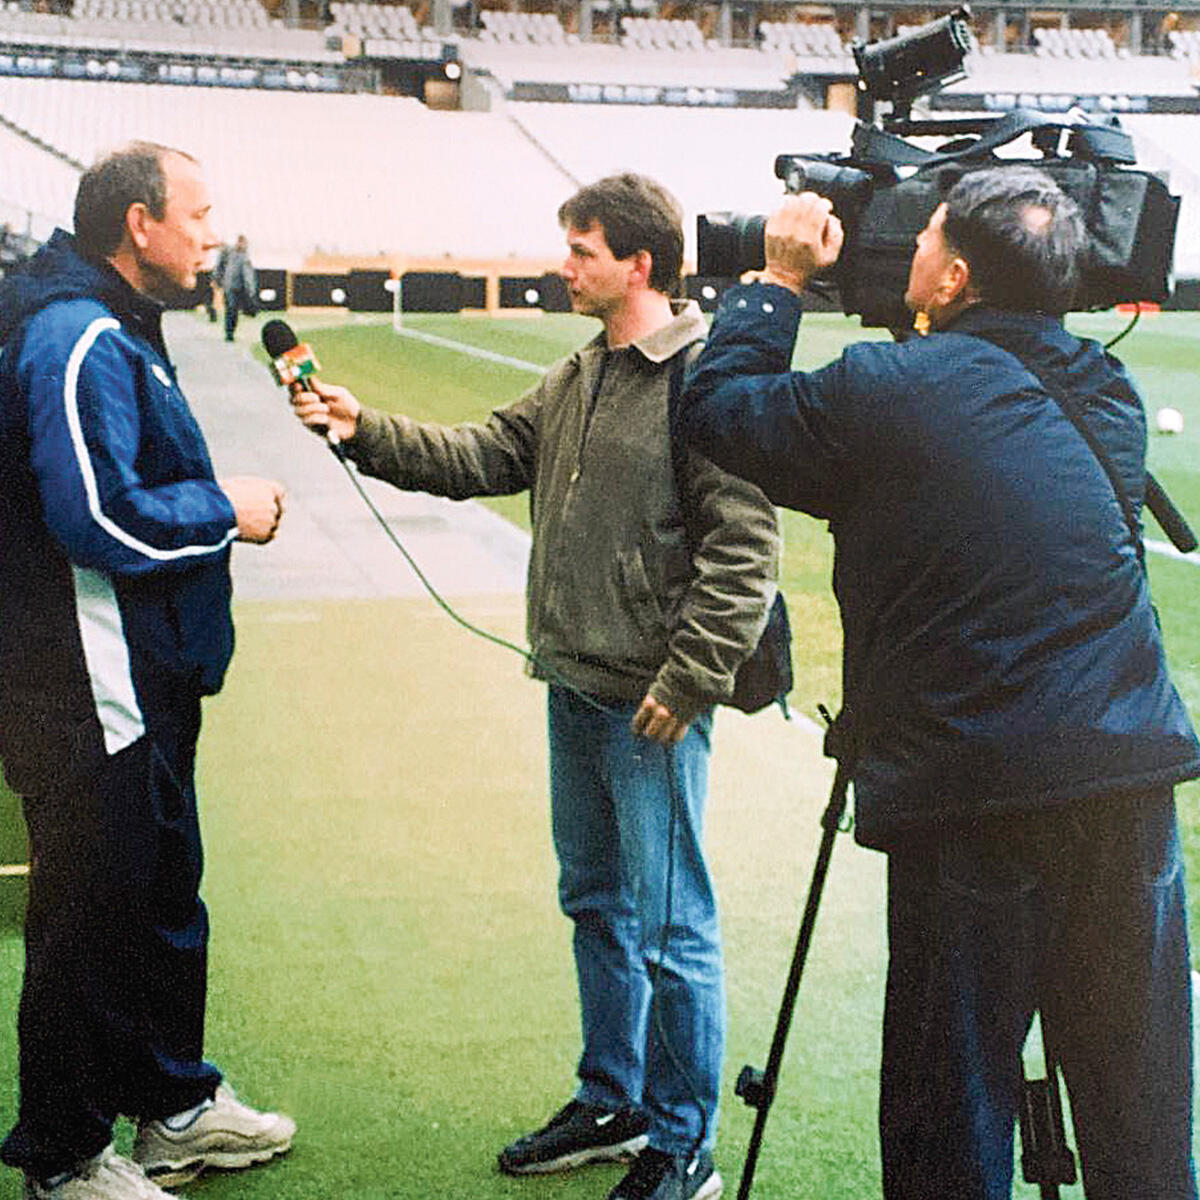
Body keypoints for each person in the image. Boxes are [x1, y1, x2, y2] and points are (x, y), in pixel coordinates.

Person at [679, 165, 1200, 1200]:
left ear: (955, 277)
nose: (902, 250)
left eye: (921, 239)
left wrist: (777, 279)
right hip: (1124, 782)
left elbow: (724, 412)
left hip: (973, 797)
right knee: (1137, 1102)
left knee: (946, 1108)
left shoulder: (886, 390)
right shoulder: (1105, 388)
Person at [290, 173, 780, 1200]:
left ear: (638, 262)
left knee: (671, 928)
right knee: (596, 903)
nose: (564, 267)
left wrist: (691, 678)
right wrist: (360, 424)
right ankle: (614, 1101)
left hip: (654, 701)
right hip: (574, 683)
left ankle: (683, 1146)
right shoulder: (578, 375)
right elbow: (479, 453)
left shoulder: (705, 381)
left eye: (581, 249)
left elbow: (745, 557)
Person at [0, 142, 296, 1200]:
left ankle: (172, 1107)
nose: (212, 237)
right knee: (90, 910)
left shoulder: (112, 324)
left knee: (163, 887)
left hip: (143, 673)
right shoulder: (74, 335)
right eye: (200, 217)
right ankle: (67, 1156)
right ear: (140, 223)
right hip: (86, 683)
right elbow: (96, 514)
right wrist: (228, 509)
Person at [217, 233, 256, 342]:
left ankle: (232, 330)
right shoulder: (229, 252)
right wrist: (218, 279)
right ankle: (229, 332)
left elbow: (248, 273)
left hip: (241, 287)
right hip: (230, 286)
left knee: (235, 311)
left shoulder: (245, 255)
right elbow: (220, 264)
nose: (243, 245)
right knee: (231, 309)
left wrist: (250, 288)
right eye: (241, 242)